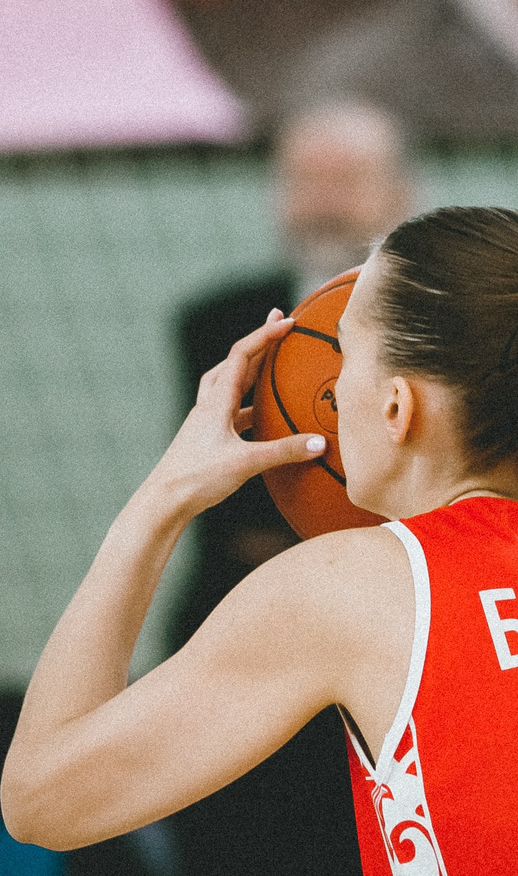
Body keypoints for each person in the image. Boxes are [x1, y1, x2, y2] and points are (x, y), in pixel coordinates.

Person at [3, 205, 518, 875]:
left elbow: (42, 800)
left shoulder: (345, 587)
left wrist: (161, 500)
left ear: (396, 408)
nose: (329, 386)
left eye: (342, 350)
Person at [152, 100, 413, 874]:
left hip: (391, 625)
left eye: (347, 178)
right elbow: (219, 499)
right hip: (239, 621)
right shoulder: (218, 323)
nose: (324, 200)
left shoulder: (442, 325)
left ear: (401, 191)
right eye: (305, 179)